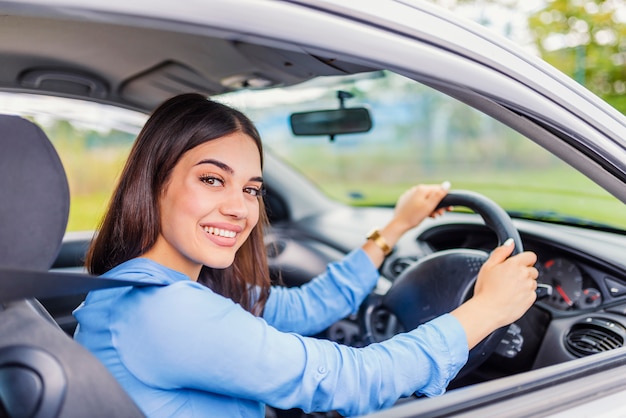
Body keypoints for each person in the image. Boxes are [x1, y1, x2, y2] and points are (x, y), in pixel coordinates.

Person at [73, 92, 539, 417]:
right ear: (155, 185)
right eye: (212, 179)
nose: (239, 208)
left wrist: (396, 227)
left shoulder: (145, 283)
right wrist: (487, 309)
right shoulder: (167, 311)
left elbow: (305, 308)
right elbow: (354, 378)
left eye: (251, 188)